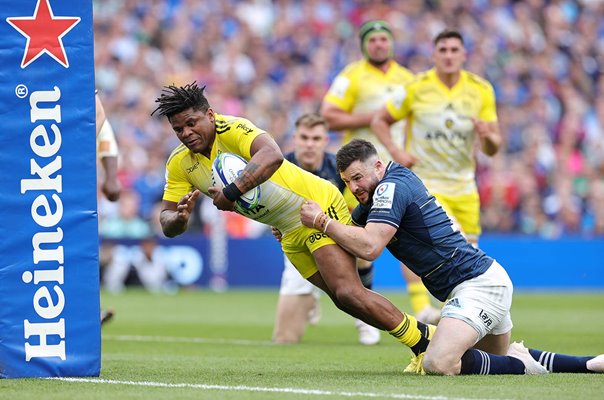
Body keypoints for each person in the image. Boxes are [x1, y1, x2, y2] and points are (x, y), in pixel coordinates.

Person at [153, 82, 433, 358]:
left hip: (314, 205)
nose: (186, 133)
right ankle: (426, 336)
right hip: (287, 230)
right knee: (343, 300)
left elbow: (271, 154)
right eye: (178, 129)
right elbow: (167, 221)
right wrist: (179, 218)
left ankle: (424, 342)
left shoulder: (232, 128)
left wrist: (231, 192)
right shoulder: (179, 163)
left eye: (191, 123)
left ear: (210, 115)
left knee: (348, 291)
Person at [300, 139, 604, 375]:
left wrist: (322, 222)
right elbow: (347, 240)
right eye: (348, 181)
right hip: (481, 282)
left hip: (476, 286)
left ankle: (524, 363)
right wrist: (296, 231)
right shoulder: (375, 195)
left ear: (378, 166)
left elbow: (369, 248)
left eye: (357, 178)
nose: (353, 188)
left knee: (439, 363)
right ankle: (587, 363)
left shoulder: (390, 187)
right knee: (496, 362)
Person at [321, 19, 440, 328]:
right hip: (361, 176)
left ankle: (421, 306)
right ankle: (363, 305)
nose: (378, 44)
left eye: (383, 39)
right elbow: (328, 116)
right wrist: (375, 118)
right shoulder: (351, 76)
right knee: (357, 240)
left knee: (410, 236)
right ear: (363, 45)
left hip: (396, 172)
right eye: (372, 39)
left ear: (391, 43)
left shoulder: (407, 79)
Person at [371, 29, 501, 248]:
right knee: (452, 243)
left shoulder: (481, 90)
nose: (448, 56)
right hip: (427, 183)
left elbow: (493, 148)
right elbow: (379, 120)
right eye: (443, 50)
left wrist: (486, 136)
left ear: (464, 55)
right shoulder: (416, 87)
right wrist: (396, 152)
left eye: (454, 50)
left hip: (464, 185)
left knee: (469, 254)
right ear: (434, 55)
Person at [272, 113, 349, 344]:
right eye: (304, 137)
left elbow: (353, 210)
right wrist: (275, 224)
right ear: (295, 138)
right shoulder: (276, 165)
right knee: (284, 338)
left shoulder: (338, 169)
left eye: (316, 138)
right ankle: (312, 296)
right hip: (295, 241)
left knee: (361, 254)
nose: (309, 144)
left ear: (325, 140)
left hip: (332, 237)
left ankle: (364, 324)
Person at [96, 92, 121, 325]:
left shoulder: (79, 93)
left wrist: (111, 177)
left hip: (72, 193)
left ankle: (90, 310)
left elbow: (105, 133)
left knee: (77, 251)